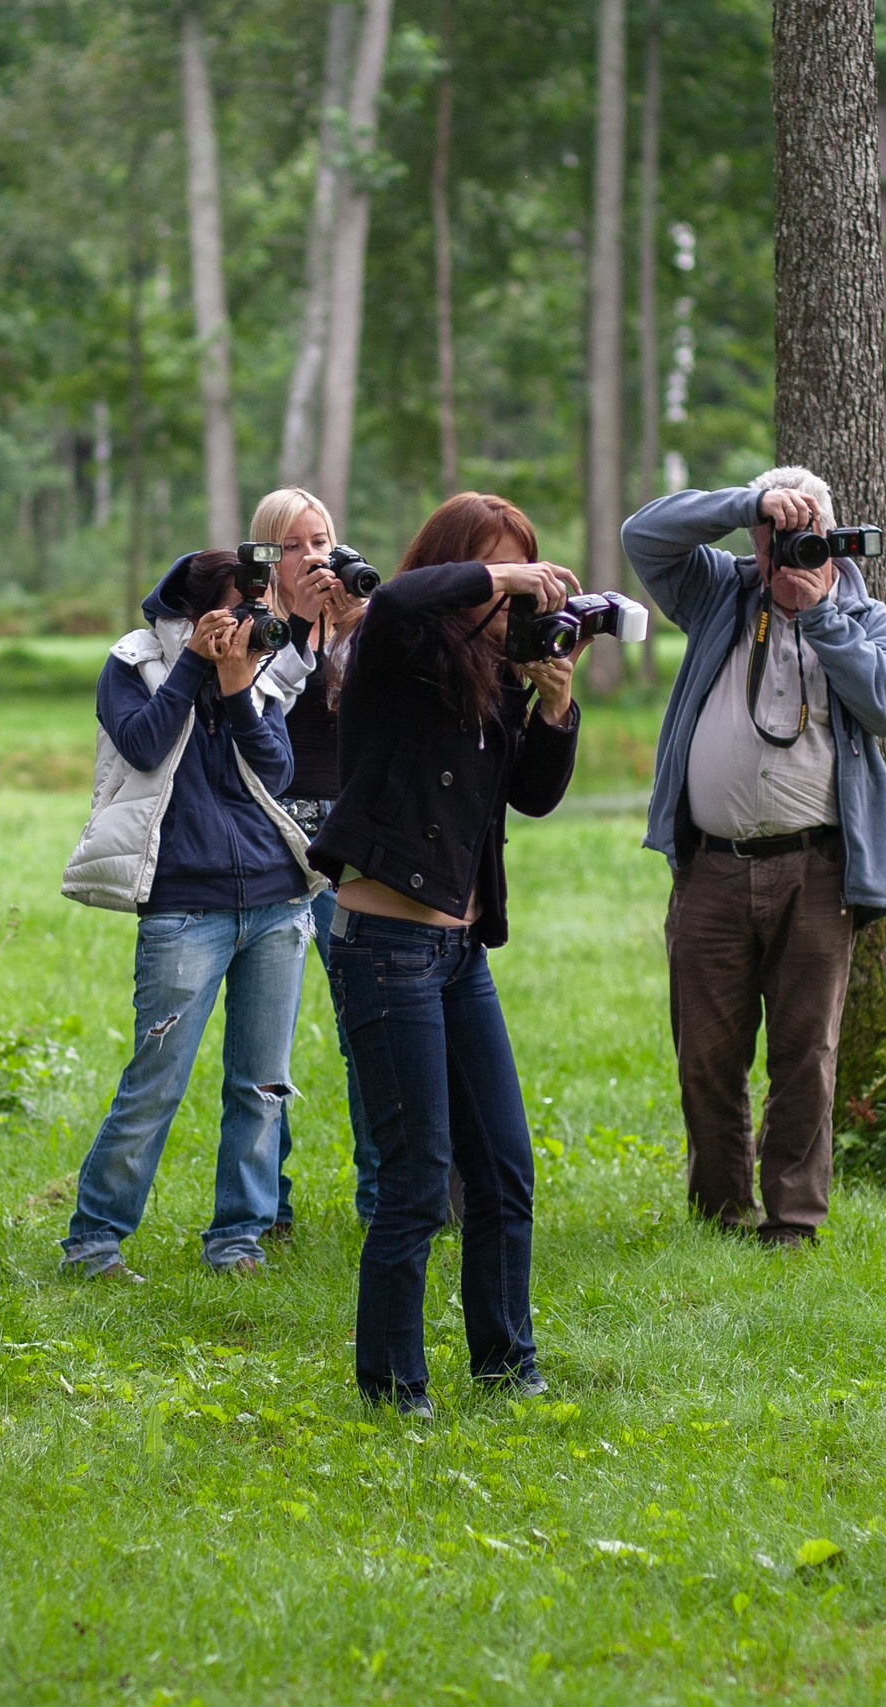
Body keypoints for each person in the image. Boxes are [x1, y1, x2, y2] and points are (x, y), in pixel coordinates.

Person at [309, 492, 582, 1416]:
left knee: (503, 1168)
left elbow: (533, 798)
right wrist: (502, 574)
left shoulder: (493, 679)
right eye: (494, 576)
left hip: (461, 957)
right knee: (418, 1178)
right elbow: (398, 599)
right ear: (461, 567)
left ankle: (507, 1363)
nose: (505, 601)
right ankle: (393, 1388)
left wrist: (555, 706)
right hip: (383, 943)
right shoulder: (394, 651)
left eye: (519, 575)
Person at [621, 468, 886, 1248]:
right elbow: (641, 536)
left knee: (806, 1054)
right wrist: (743, 509)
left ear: (831, 535)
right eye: (771, 534)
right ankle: (721, 1211)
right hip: (711, 864)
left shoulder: (862, 611)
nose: (783, 549)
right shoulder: (720, 590)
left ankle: (792, 1220)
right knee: (707, 1054)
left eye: (797, 531)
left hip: (818, 870)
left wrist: (821, 614)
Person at [59, 546, 326, 1279]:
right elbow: (142, 747)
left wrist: (238, 681)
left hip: (274, 900)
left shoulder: (260, 664)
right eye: (242, 605)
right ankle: (93, 1242)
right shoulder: (134, 660)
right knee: (157, 1079)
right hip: (183, 906)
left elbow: (276, 768)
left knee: (261, 1085)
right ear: (198, 608)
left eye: (260, 606)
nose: (254, 620)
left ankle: (238, 1238)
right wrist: (191, 668)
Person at [249, 484, 379, 1232]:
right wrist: (299, 632)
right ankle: (268, 1208)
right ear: (268, 555)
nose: (311, 558)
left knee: (369, 1020)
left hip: (345, 841)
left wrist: (356, 629)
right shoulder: (255, 629)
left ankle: (382, 1195)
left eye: (321, 541)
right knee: (268, 1039)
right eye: (293, 544)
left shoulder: (361, 624)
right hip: (270, 835)